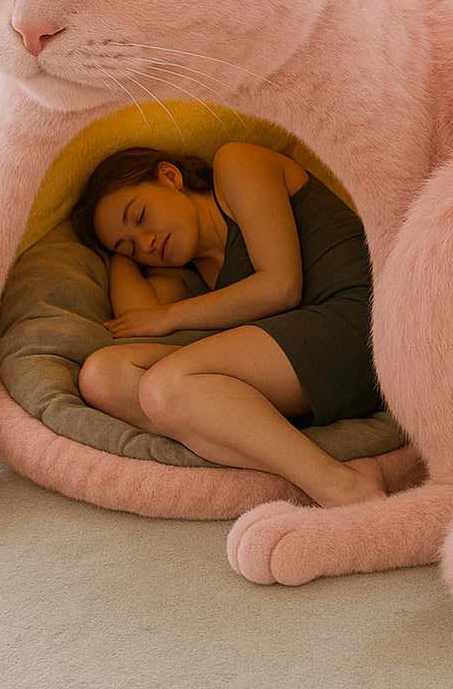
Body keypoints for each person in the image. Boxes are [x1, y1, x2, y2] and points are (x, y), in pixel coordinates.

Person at [69, 142, 389, 508]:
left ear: (170, 176)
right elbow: (137, 316)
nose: (147, 242)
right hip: (305, 360)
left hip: (366, 324)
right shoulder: (195, 268)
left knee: (166, 387)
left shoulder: (237, 163)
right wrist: (116, 255)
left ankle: (342, 485)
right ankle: (284, 453)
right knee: (104, 375)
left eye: (140, 216)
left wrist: (170, 315)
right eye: (131, 247)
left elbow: (280, 287)